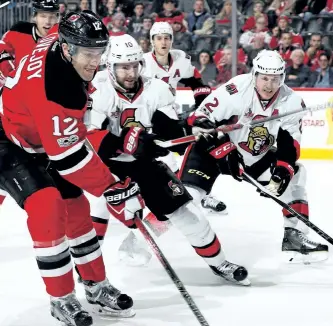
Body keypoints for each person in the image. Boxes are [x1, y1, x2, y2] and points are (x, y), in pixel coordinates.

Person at [0, 11, 137, 326]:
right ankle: (61, 299)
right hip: (8, 141)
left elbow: (67, 144)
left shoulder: (59, 44)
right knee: (48, 206)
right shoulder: (55, 90)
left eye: (98, 52)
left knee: (76, 210)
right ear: (67, 48)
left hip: (38, 136)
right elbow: (67, 157)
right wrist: (111, 186)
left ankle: (96, 286)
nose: (96, 61)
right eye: (89, 54)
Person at [84, 34, 250, 285]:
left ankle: (219, 263)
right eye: (123, 67)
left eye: (133, 66)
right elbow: (90, 137)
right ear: (110, 66)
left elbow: (168, 128)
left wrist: (192, 127)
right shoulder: (97, 90)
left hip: (143, 164)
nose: (130, 73)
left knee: (188, 213)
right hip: (107, 165)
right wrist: (126, 143)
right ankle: (89, 275)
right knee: (97, 210)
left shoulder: (155, 89)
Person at [181, 50, 328, 263]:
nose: (269, 84)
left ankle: (294, 235)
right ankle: (140, 239)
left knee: (296, 174)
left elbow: (290, 144)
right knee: (184, 199)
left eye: (275, 79)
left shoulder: (291, 101)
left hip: (253, 156)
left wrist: (282, 170)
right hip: (213, 152)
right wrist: (221, 148)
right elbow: (201, 118)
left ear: (282, 78)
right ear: (255, 75)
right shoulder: (235, 89)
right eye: (264, 78)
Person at [142, 21, 227, 213]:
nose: (163, 42)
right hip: (146, 117)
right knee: (161, 159)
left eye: (167, 38)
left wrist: (203, 108)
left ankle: (199, 193)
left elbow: (196, 81)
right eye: (158, 38)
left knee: (195, 150)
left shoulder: (180, 59)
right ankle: (167, 198)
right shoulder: (142, 63)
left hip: (169, 116)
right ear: (151, 41)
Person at [0, 0, 61, 208]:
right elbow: (2, 51)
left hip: (45, 116)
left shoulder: (61, 40)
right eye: (43, 16)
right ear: (34, 17)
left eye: (52, 16)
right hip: (14, 109)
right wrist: (10, 77)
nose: (48, 20)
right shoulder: (19, 32)